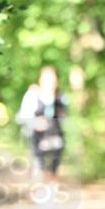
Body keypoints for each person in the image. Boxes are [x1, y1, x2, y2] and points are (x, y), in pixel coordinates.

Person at [17, 66, 66, 201]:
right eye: (47, 79)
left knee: (54, 165)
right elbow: (22, 116)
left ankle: (52, 193)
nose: (50, 82)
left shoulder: (61, 96)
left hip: (56, 136)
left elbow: (65, 117)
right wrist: (35, 123)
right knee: (39, 165)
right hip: (37, 137)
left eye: (52, 79)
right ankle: (41, 194)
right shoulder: (32, 95)